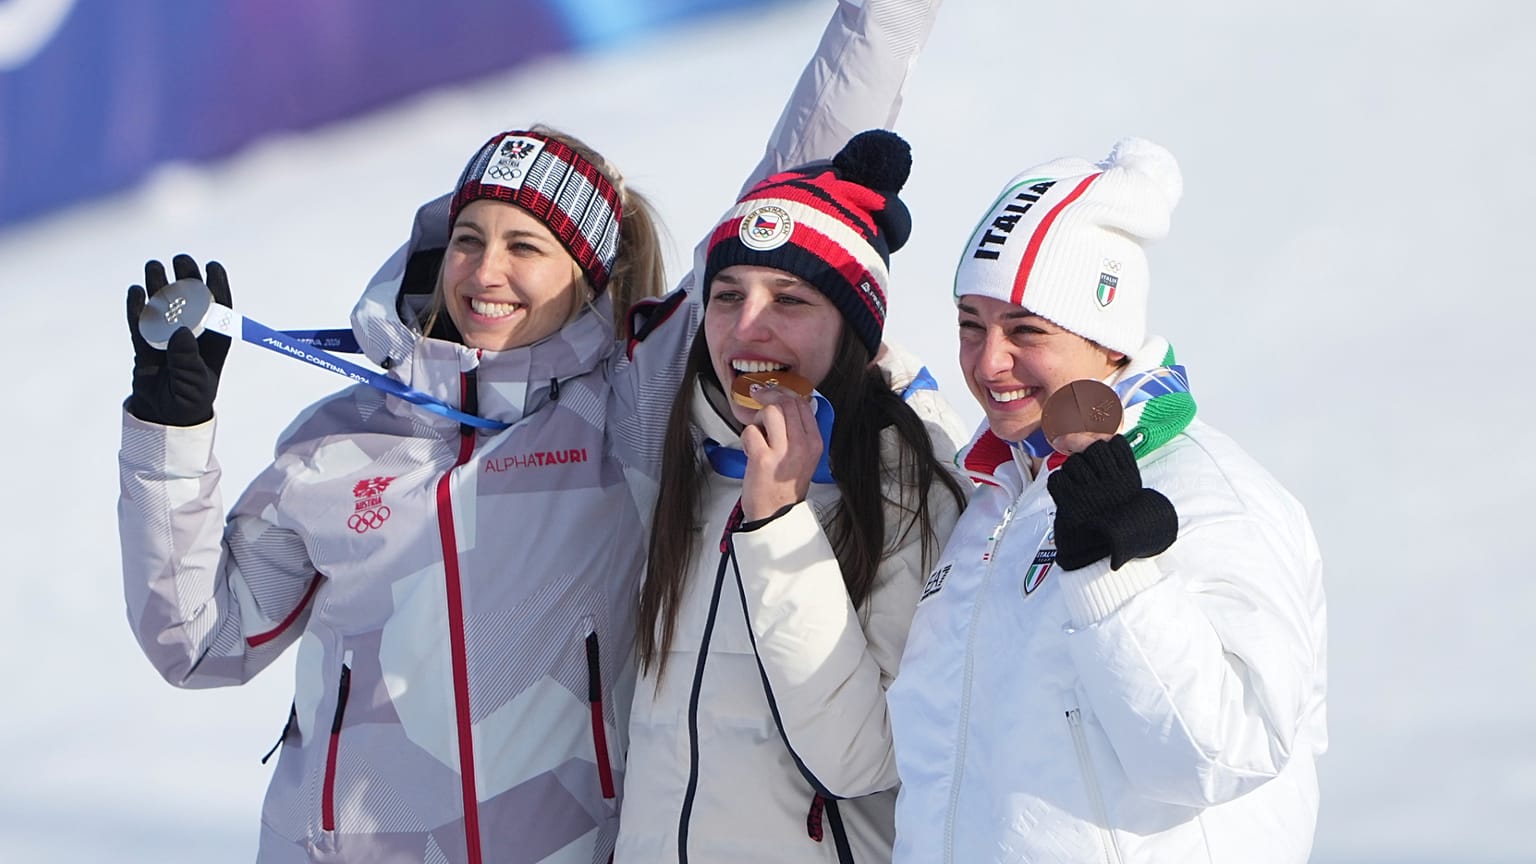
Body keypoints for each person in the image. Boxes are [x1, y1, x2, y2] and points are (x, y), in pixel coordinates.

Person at [115, 3, 945, 862]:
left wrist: (884, 19)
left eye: (526, 246)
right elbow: (199, 644)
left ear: (588, 276)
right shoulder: (340, 438)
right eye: (469, 239)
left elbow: (784, 204)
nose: (486, 271)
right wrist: (166, 435)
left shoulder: (628, 401)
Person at [885, 138, 1328, 864]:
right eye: (971, 323)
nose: (987, 361)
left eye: (1025, 330)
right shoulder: (998, 502)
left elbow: (1225, 751)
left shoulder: (1212, 494)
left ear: (1109, 340)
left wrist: (1115, 573)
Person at [616, 129, 969, 864]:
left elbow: (862, 759)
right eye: (726, 295)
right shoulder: (677, 460)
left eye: (791, 299)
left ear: (854, 331)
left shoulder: (911, 484)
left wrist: (778, 522)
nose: (748, 329)